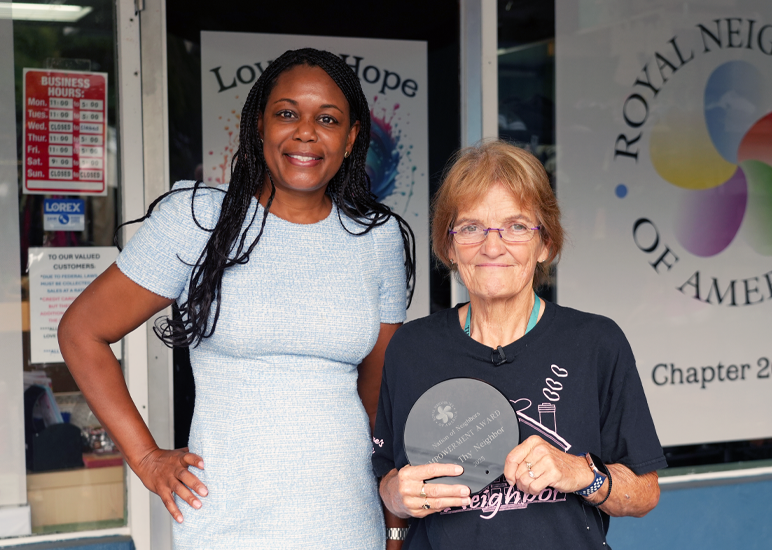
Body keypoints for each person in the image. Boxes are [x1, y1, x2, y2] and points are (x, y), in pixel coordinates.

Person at [58, 48, 415, 549]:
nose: (306, 132)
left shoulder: (377, 240)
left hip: (345, 521)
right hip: (227, 522)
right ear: (258, 126)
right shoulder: (200, 220)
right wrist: (146, 458)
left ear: (352, 136)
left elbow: (377, 401)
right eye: (287, 113)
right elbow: (81, 331)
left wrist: (392, 521)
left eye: (328, 119)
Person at [372, 141, 666, 549]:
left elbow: (645, 495)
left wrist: (582, 474)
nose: (493, 246)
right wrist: (395, 495)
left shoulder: (595, 344)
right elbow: (385, 476)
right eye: (472, 227)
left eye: (516, 227)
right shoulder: (412, 348)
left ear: (544, 243)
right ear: (450, 246)